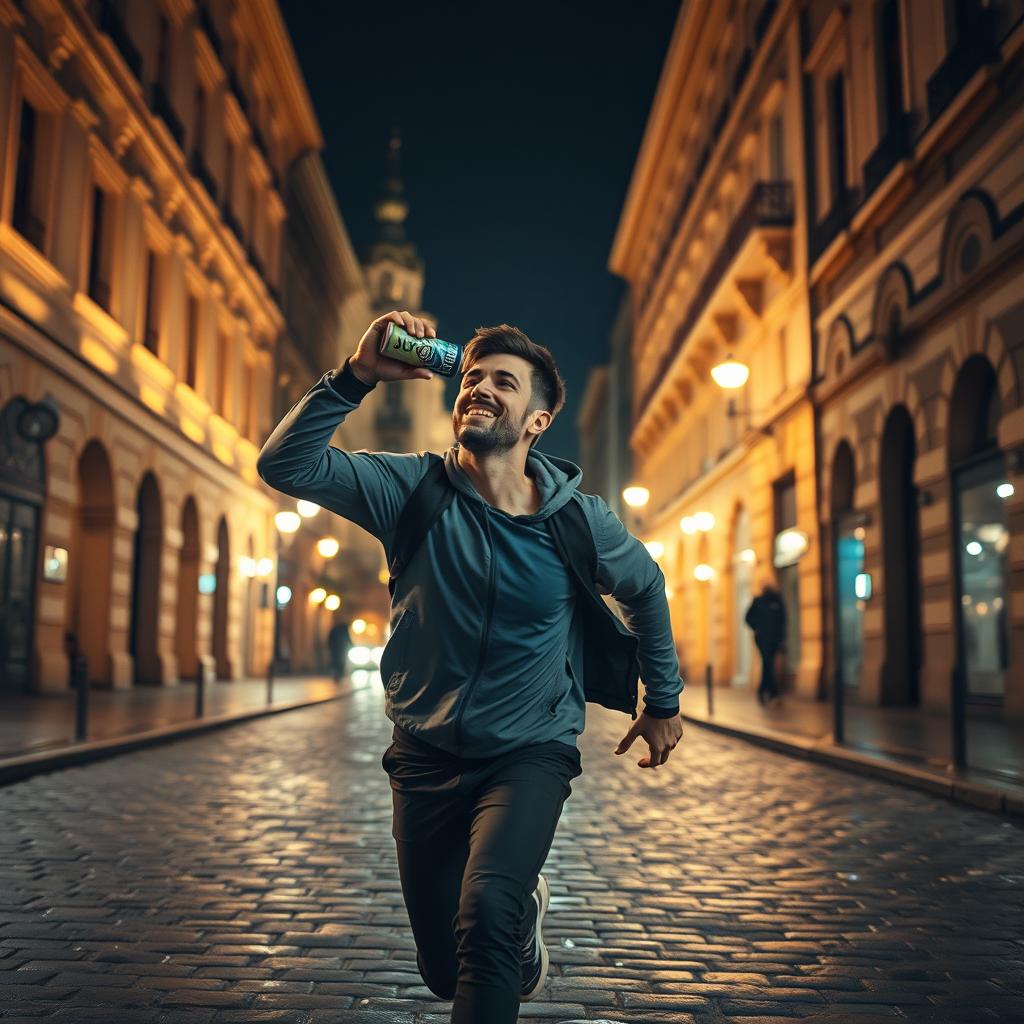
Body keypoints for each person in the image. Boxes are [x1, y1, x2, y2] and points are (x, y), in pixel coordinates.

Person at [257, 310, 684, 1024]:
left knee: (484, 912)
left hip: (529, 753)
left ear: (537, 421)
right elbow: (284, 465)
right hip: (424, 753)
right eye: (474, 376)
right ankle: (521, 923)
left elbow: (645, 588)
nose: (480, 388)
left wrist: (662, 700)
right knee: (442, 967)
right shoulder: (410, 492)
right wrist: (356, 375)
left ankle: (510, 909)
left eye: (504, 383)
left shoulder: (580, 522)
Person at [745, 579, 787, 706]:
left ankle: (765, 691)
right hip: (764, 639)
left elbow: (782, 621)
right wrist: (756, 627)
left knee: (768, 664)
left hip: (772, 638)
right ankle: (769, 692)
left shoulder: (776, 601)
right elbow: (748, 618)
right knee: (768, 663)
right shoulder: (759, 601)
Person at [326, 617, 351, 683]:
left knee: (336, 662)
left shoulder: (334, 629)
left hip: (336, 648)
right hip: (341, 648)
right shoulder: (344, 629)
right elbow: (348, 638)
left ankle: (337, 674)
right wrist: (351, 644)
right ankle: (339, 674)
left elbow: (330, 638)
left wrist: (330, 646)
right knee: (341, 662)